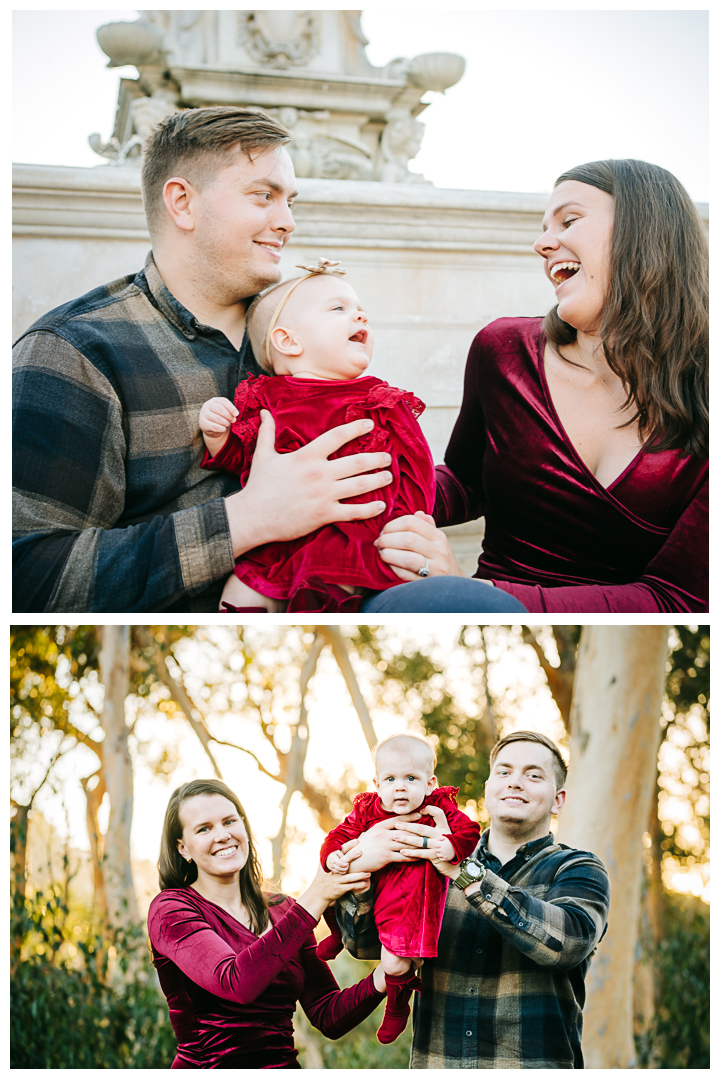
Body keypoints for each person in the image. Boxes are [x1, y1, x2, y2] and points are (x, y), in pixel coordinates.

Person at [11, 106, 396, 613]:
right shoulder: (75, 350)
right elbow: (28, 579)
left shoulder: (307, 327)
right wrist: (249, 518)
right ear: (183, 203)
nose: (288, 222)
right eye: (264, 196)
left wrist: (418, 546)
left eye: (290, 201)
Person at [364, 159, 708, 614]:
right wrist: (375, 489)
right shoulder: (504, 350)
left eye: (569, 220)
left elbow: (680, 600)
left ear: (645, 233)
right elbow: (468, 482)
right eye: (545, 228)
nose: (542, 243)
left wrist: (473, 593)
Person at [340, 731, 611, 1068]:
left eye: (534, 775)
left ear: (558, 800)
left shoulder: (578, 869)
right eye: (504, 772)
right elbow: (362, 945)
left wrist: (461, 869)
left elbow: (567, 943)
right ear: (487, 789)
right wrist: (363, 878)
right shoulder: (423, 863)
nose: (515, 782)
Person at [199, 262, 436, 613]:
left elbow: (418, 467)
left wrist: (410, 522)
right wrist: (217, 433)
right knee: (240, 591)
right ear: (288, 340)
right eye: (339, 309)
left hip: (350, 539)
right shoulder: (264, 398)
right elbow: (243, 460)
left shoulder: (380, 399)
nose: (360, 318)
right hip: (278, 541)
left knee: (327, 590)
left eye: (361, 311)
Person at [146, 778, 387, 1069]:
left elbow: (328, 1015)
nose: (222, 835)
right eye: (204, 828)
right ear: (183, 848)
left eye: (229, 821)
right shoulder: (171, 910)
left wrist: (386, 974)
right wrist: (316, 896)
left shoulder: (285, 910)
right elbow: (238, 983)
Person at [317, 734, 480, 1042]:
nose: (400, 786)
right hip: (365, 891)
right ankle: (337, 934)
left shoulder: (438, 810)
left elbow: (470, 831)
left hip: (405, 903)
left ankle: (397, 1005)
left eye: (410, 778)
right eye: (390, 779)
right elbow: (338, 834)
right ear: (377, 784)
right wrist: (333, 853)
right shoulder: (368, 810)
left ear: (430, 783)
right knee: (329, 883)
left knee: (394, 961)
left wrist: (452, 846)